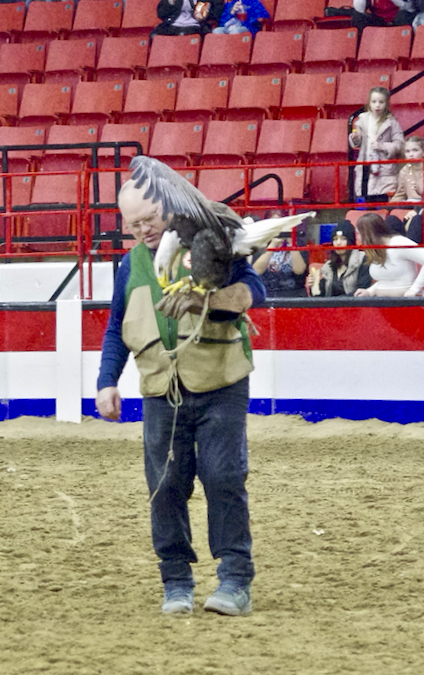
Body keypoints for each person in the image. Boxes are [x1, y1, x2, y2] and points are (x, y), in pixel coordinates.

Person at [96, 176, 263, 617]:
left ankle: (234, 579)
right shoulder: (130, 266)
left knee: (223, 476)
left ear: (168, 207)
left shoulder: (210, 239)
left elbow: (253, 293)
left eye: (150, 218)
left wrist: (203, 299)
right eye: (133, 225)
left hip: (221, 383)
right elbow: (116, 327)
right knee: (165, 486)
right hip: (160, 391)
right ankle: (176, 581)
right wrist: (106, 380)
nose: (143, 230)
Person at [354, 212, 424, 296]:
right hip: (382, 305)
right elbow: (385, 281)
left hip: (407, 304)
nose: (357, 237)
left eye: (358, 233)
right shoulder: (374, 250)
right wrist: (369, 292)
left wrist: (414, 289)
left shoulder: (399, 242)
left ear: (367, 234)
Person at [350, 86, 405, 201]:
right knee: (368, 200)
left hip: (384, 169)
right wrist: (355, 138)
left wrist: (383, 146)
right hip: (365, 166)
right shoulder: (362, 121)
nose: (377, 105)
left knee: (382, 200)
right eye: (374, 102)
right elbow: (357, 144)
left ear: (387, 104)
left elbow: (400, 144)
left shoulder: (392, 122)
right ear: (369, 103)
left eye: (381, 102)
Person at [308, 223, 372, 297]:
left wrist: (334, 302)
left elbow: (362, 292)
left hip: (354, 306)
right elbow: (319, 297)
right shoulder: (328, 266)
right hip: (331, 307)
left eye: (343, 239)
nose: (338, 243)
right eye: (335, 239)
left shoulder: (362, 259)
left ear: (350, 241)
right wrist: (313, 287)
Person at [252, 232, 308, 297]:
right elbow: (257, 270)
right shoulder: (261, 244)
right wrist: (273, 244)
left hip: (294, 293)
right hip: (266, 293)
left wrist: (291, 244)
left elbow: (299, 270)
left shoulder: (299, 244)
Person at [391, 135, 424, 203]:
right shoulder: (404, 170)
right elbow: (400, 195)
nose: (411, 154)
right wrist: (387, 207)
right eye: (407, 151)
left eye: (415, 150)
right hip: (409, 203)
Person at [324, 0, 415, 31]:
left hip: (399, 19)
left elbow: (408, 7)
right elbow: (359, 9)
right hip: (380, 21)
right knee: (358, 17)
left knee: (403, 16)